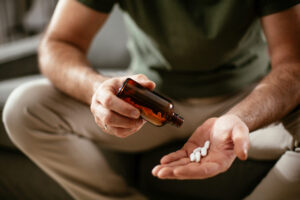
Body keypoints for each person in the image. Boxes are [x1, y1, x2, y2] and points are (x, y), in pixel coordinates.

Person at [3, 0, 300, 199]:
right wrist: (98, 91)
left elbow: (292, 64)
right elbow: (59, 42)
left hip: (244, 102)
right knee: (24, 108)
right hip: (149, 102)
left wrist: (241, 119)